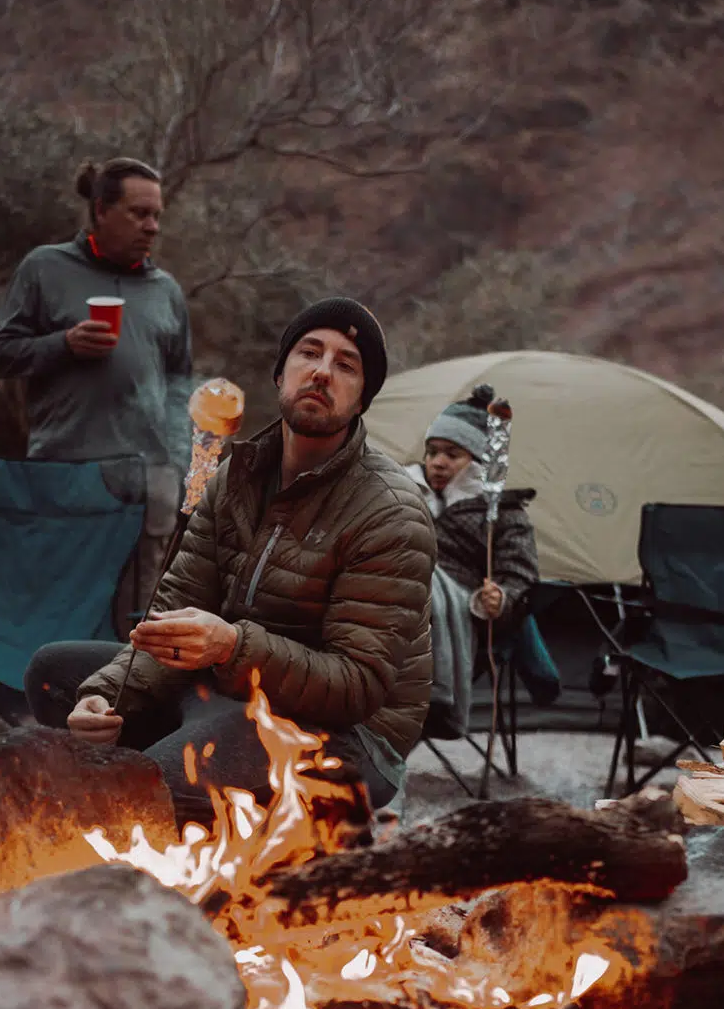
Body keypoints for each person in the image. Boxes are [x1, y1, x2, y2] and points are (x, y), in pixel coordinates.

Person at [25, 297, 437, 826]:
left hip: (346, 736)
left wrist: (231, 645)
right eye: (309, 353)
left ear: (361, 401)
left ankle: (261, 844)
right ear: (281, 373)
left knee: (157, 785)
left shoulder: (389, 512)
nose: (321, 372)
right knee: (54, 677)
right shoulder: (235, 479)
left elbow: (356, 685)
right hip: (233, 692)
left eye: (346, 365)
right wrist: (106, 695)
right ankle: (172, 793)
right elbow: (174, 613)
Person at [0, 155, 193, 620]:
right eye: (139, 213)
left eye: (157, 215)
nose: (152, 226)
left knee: (136, 629)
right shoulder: (45, 268)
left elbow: (181, 384)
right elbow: (1, 354)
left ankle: (121, 697)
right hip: (66, 475)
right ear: (101, 210)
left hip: (148, 484)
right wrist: (64, 343)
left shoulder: (166, 291)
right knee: (54, 614)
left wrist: (179, 465)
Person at [406, 385, 543, 736]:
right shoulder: (402, 492)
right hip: (389, 596)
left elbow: (519, 573)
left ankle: (428, 699)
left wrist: (501, 598)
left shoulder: (504, 514)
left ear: (478, 462)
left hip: (456, 612)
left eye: (452, 454)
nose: (437, 462)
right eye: (432, 451)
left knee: (420, 579)